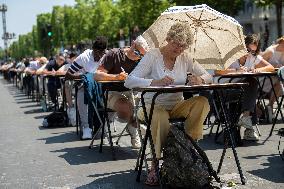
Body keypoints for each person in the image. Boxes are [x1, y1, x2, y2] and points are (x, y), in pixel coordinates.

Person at [124, 23, 212, 185]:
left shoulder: (186, 57)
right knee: (159, 115)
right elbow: (129, 81)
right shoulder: (153, 56)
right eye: (176, 44)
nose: (179, 49)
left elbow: (209, 76)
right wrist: (155, 82)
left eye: (183, 46)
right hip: (150, 106)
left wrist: (200, 79)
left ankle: (187, 147)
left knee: (202, 102)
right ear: (168, 39)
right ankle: (155, 164)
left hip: (176, 106)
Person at [215, 34, 274, 140]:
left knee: (251, 83)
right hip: (225, 90)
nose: (249, 53)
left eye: (253, 51)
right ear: (242, 46)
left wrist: (257, 70)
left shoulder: (252, 57)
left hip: (242, 90)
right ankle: (249, 129)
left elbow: (270, 67)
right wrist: (237, 71)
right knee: (251, 88)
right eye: (247, 49)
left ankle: (246, 119)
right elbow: (218, 71)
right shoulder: (230, 56)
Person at [94, 35, 149, 148]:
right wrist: (116, 77)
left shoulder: (142, 61)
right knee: (125, 105)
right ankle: (135, 128)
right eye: (138, 52)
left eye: (142, 55)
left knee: (151, 104)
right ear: (133, 44)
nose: (139, 57)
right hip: (112, 92)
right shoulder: (114, 54)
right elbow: (97, 75)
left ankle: (135, 124)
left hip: (133, 93)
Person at [65, 36, 108, 139]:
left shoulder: (107, 56)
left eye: (102, 52)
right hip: (87, 86)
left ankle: (105, 123)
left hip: (102, 86)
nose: (100, 55)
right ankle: (86, 127)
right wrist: (83, 76)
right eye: (98, 52)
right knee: (81, 93)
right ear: (93, 50)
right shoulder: (84, 57)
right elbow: (68, 75)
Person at [261, 36, 284, 121]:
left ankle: (270, 106)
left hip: (277, 78)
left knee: (280, 83)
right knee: (280, 83)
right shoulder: (270, 51)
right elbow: (258, 64)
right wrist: (273, 67)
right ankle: (270, 106)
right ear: (281, 43)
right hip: (264, 78)